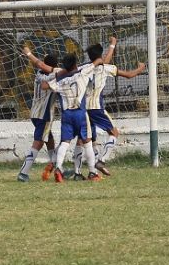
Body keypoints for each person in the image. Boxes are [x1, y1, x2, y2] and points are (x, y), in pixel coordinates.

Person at [84, 38, 146, 178]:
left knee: (90, 139)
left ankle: (92, 172)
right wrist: (141, 68)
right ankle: (101, 161)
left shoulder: (86, 68)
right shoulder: (107, 68)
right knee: (114, 133)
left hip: (84, 107)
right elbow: (129, 75)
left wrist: (112, 45)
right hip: (96, 107)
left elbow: (104, 61)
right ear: (100, 55)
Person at [40, 53, 103, 182]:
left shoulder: (60, 81)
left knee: (64, 143)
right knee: (87, 143)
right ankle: (92, 173)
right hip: (80, 113)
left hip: (67, 115)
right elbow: (96, 62)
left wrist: (59, 74)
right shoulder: (82, 74)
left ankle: (58, 168)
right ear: (75, 64)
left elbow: (44, 86)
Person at [17, 47, 61, 182]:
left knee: (49, 139)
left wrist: (29, 54)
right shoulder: (54, 76)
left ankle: (56, 167)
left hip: (35, 112)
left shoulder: (39, 73)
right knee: (39, 142)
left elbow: (40, 64)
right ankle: (23, 172)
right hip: (44, 114)